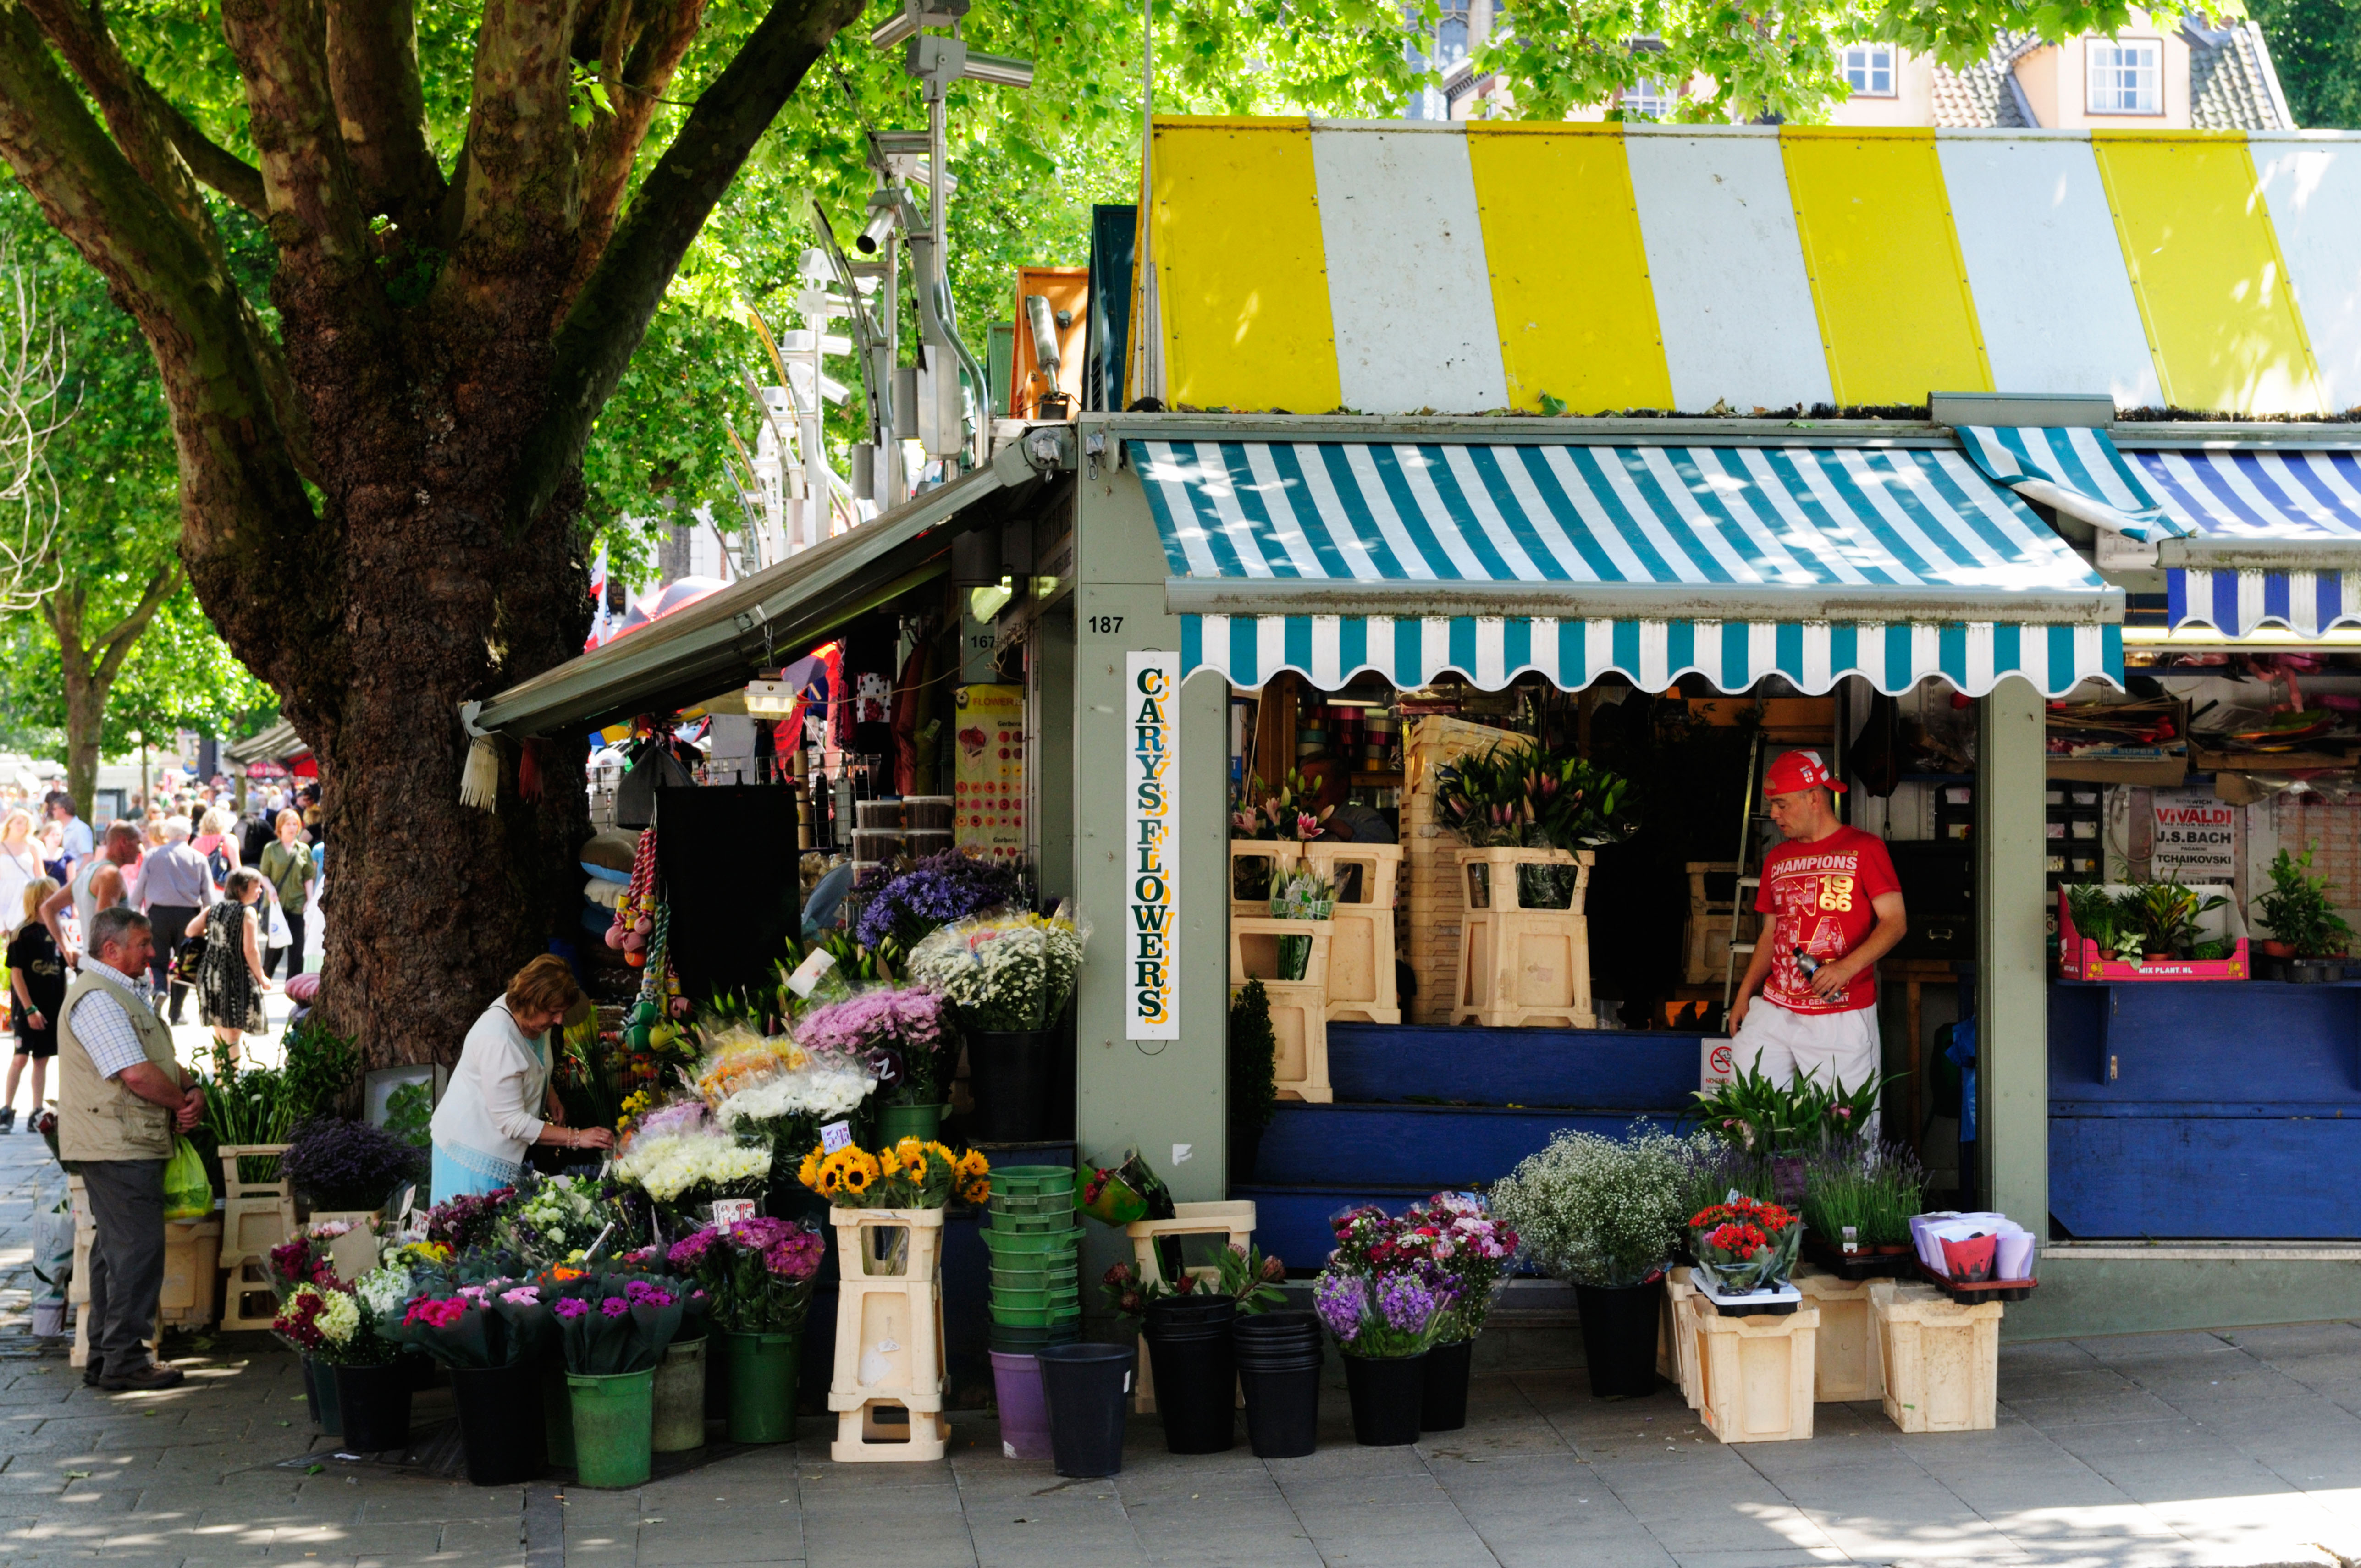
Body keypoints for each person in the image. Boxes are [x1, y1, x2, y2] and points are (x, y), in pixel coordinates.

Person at [57, 905, 199, 1390]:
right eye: (143, 943)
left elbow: (152, 1057)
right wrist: (182, 1101)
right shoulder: (98, 997)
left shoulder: (117, 992)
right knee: (136, 1251)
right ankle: (124, 1358)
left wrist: (191, 1086)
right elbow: (134, 1073)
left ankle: (106, 1355)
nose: (153, 951)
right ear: (111, 949)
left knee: (115, 1252)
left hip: (122, 1139)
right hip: (118, 1142)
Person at [1726, 750, 1907, 1131]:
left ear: (1814, 797)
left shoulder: (1866, 848)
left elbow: (1895, 922)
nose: (1774, 814)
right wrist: (1744, 995)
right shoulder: (1776, 858)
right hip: (1776, 1005)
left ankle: (1844, 1192)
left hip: (1839, 1010)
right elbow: (1770, 934)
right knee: (1749, 1116)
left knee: (1848, 1132)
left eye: (1780, 804)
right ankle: (1752, 1191)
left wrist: (1845, 968)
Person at [429, 955, 611, 1198]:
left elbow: (534, 1062)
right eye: (554, 1013)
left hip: (501, 1146)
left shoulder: (533, 1018)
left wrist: (550, 1094)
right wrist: (577, 1138)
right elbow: (512, 1122)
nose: (559, 1021)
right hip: (474, 1154)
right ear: (532, 1002)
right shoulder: (499, 1041)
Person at [188, 868, 273, 1071]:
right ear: (240, 888)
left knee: (219, 1034)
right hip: (234, 977)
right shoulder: (247, 912)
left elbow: (191, 930)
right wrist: (262, 977)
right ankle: (231, 1085)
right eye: (256, 887)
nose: (260, 891)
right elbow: (250, 950)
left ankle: (220, 1082)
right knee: (233, 1034)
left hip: (211, 976)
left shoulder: (214, 909)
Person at [132, 819, 214, 1024]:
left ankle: (160, 989)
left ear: (167, 835)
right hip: (189, 917)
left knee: (156, 959)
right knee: (183, 963)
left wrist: (135, 912)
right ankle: (176, 1012)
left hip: (158, 915)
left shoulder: (152, 856)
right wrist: (208, 921)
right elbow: (209, 897)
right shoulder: (199, 858)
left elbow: (138, 891)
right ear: (188, 836)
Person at [3, 877, 63, 1131]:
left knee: (42, 1059)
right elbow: (16, 974)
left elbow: (62, 970)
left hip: (52, 1007)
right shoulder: (23, 933)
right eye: (52, 895)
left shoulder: (57, 930)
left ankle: (36, 1111)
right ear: (39, 899)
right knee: (20, 1058)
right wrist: (29, 1009)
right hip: (28, 1009)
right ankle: (7, 1109)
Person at [43, 824, 141, 968]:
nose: (140, 850)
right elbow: (105, 927)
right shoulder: (110, 874)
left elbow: (48, 908)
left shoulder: (88, 870)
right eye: (138, 843)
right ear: (123, 842)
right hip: (106, 969)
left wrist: (67, 947)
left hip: (90, 964)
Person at [258, 809, 315, 980]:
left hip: (298, 902)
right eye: (288, 824)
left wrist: (310, 899)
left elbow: (308, 876)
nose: (292, 828)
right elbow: (264, 874)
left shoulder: (304, 849)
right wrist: (271, 889)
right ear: (280, 827)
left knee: (297, 946)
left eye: (295, 824)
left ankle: (294, 984)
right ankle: (265, 978)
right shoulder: (271, 849)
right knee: (275, 944)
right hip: (278, 904)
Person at [0, 808, 40, 934]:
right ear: (10, 823)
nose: (22, 827)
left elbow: (40, 874)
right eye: (19, 822)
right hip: (5, 892)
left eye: (25, 824)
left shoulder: (32, 846)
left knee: (22, 932)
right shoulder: (1, 846)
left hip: (26, 893)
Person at [44, 792, 90, 864]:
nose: (53, 812)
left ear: (63, 810)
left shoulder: (80, 829)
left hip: (75, 872)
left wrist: (78, 874)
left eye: (55, 809)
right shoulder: (59, 828)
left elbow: (89, 857)